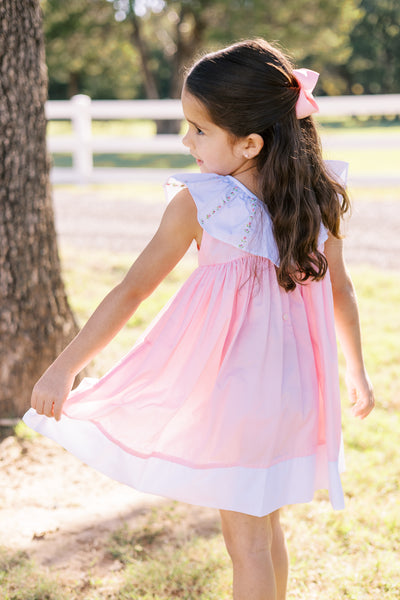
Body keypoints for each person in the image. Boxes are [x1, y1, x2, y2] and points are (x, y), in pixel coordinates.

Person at [24, 39, 375, 600]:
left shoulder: (201, 201)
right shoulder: (314, 196)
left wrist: (65, 368)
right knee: (266, 529)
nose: (186, 141)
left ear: (250, 143)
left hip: (238, 393)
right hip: (296, 391)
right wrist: (356, 372)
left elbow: (132, 290)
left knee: (246, 545)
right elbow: (343, 291)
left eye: (199, 130)